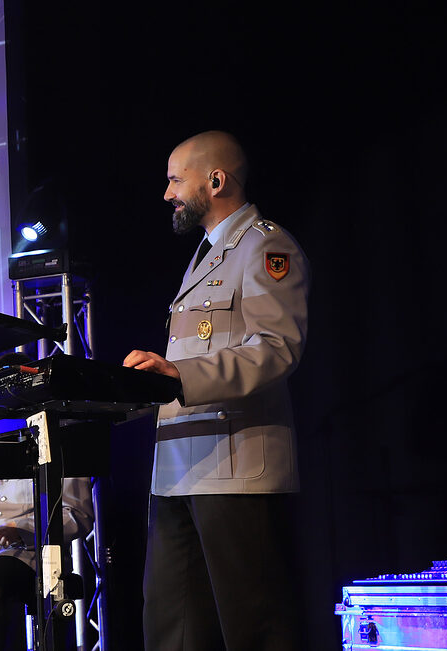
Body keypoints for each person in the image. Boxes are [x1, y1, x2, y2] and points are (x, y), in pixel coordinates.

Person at [123, 130, 308, 650]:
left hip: (234, 470)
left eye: (175, 180)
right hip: (180, 469)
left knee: (253, 630)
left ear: (216, 180)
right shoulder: (207, 255)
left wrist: (180, 377)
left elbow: (277, 347)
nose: (166, 194)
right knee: (171, 632)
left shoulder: (265, 245)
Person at [0, 478, 94, 651]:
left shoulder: (64, 452)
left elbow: (77, 515)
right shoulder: (1, 454)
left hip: (38, 556)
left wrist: (21, 530)